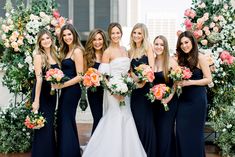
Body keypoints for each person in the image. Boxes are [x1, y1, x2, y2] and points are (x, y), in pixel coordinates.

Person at [82, 22, 146, 157]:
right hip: (112, 92)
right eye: (113, 33)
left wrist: (137, 83)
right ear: (109, 35)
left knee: (126, 117)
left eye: (118, 33)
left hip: (126, 91)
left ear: (121, 34)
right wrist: (114, 91)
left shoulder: (125, 50)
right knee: (114, 118)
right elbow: (103, 77)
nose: (115, 35)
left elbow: (129, 72)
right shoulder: (107, 52)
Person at [175, 31, 212, 157]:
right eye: (181, 43)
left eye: (186, 42)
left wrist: (190, 82)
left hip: (197, 100)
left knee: (195, 134)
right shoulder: (181, 59)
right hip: (184, 100)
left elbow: (208, 79)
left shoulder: (200, 57)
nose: (184, 45)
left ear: (192, 42)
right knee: (181, 130)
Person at [52, 24, 84, 157]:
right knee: (64, 119)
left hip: (72, 90)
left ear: (74, 34)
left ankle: (68, 153)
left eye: (69, 34)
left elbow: (80, 76)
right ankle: (68, 150)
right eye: (64, 35)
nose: (67, 37)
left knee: (65, 118)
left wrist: (62, 86)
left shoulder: (77, 51)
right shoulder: (65, 51)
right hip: (65, 90)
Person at [31, 29, 60, 157]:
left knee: (49, 126)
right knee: (43, 126)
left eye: (47, 38)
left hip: (52, 95)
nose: (46, 41)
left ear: (51, 39)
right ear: (39, 42)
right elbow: (39, 79)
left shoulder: (55, 55)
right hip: (41, 94)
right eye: (42, 39)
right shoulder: (38, 56)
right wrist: (36, 101)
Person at [128, 23, 156, 157]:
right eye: (135, 33)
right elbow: (130, 71)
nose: (136, 35)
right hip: (135, 92)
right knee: (136, 121)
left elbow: (152, 69)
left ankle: (148, 152)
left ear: (144, 35)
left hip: (145, 91)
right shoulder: (130, 51)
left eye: (139, 33)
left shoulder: (148, 49)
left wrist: (143, 81)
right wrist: (135, 79)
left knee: (146, 122)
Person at [152, 35, 178, 157]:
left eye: (161, 45)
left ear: (165, 47)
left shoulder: (171, 61)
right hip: (154, 103)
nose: (159, 47)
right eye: (156, 44)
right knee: (157, 132)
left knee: (165, 132)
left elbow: (177, 82)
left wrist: (170, 96)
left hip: (168, 102)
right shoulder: (152, 60)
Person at [84, 28, 108, 134]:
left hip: (108, 90)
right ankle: (95, 147)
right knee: (98, 118)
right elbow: (83, 75)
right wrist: (89, 77)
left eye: (100, 39)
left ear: (104, 40)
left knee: (108, 118)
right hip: (94, 91)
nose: (97, 42)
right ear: (91, 41)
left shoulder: (108, 54)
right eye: (94, 40)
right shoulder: (87, 56)